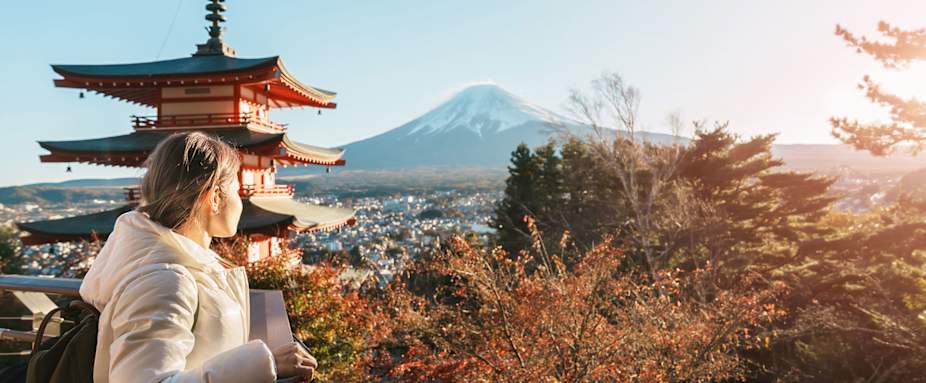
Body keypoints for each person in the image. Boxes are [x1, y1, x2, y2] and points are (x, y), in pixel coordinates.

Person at [79, 132, 316, 382]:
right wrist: (266, 363)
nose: (239, 202)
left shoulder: (182, 265)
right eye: (236, 191)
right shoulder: (165, 281)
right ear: (214, 198)